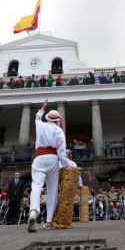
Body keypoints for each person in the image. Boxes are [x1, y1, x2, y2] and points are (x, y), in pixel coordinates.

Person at [27, 99, 70, 232]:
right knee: (52, 190)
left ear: (48, 118)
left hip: (39, 157)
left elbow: (38, 116)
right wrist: (68, 164)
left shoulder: (39, 124)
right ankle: (49, 222)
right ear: (57, 119)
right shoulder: (58, 130)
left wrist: (43, 107)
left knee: (36, 186)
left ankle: (33, 212)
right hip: (52, 158)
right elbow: (62, 154)